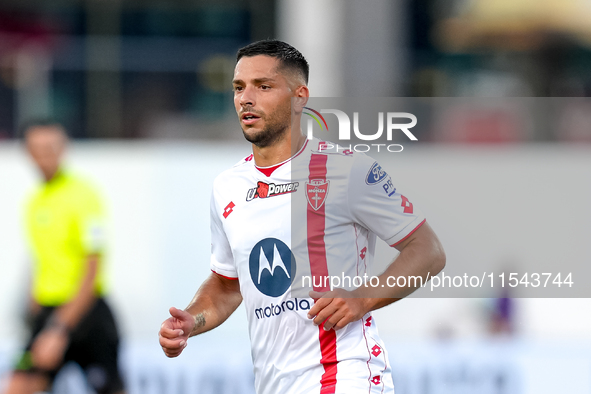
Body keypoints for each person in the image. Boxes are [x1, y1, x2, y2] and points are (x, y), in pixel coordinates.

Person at [158, 40, 446, 394]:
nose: (246, 98)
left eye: (262, 86)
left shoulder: (347, 170)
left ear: (299, 96)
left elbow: (428, 250)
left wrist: (362, 298)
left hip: (344, 375)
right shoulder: (227, 187)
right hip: (274, 383)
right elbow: (228, 285)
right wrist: (191, 321)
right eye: (238, 87)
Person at [4, 121, 125, 394]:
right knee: (16, 385)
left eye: (51, 148)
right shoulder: (35, 201)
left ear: (63, 149)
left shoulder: (84, 196)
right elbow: (42, 257)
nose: (45, 156)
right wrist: (34, 307)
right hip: (48, 312)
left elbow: (92, 270)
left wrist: (59, 329)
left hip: (87, 316)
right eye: (37, 149)